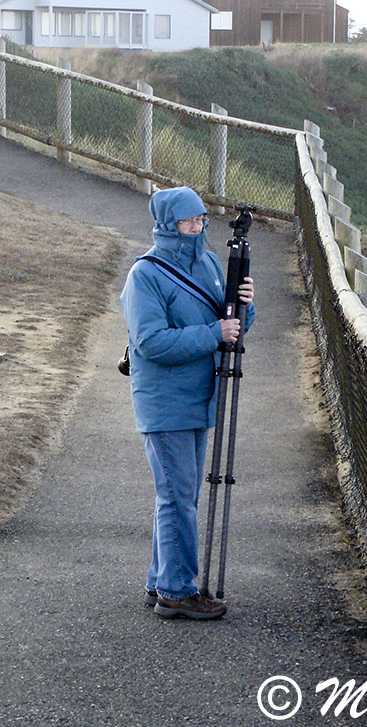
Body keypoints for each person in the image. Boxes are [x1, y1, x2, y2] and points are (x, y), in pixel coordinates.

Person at [120, 186, 255, 620]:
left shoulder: (211, 263)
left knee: (179, 495)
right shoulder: (146, 275)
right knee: (178, 496)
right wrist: (214, 334)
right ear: (167, 224)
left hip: (198, 396)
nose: (197, 227)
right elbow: (151, 341)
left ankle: (161, 580)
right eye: (188, 221)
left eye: (200, 220)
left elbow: (230, 323)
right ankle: (177, 591)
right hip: (164, 400)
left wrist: (244, 306)